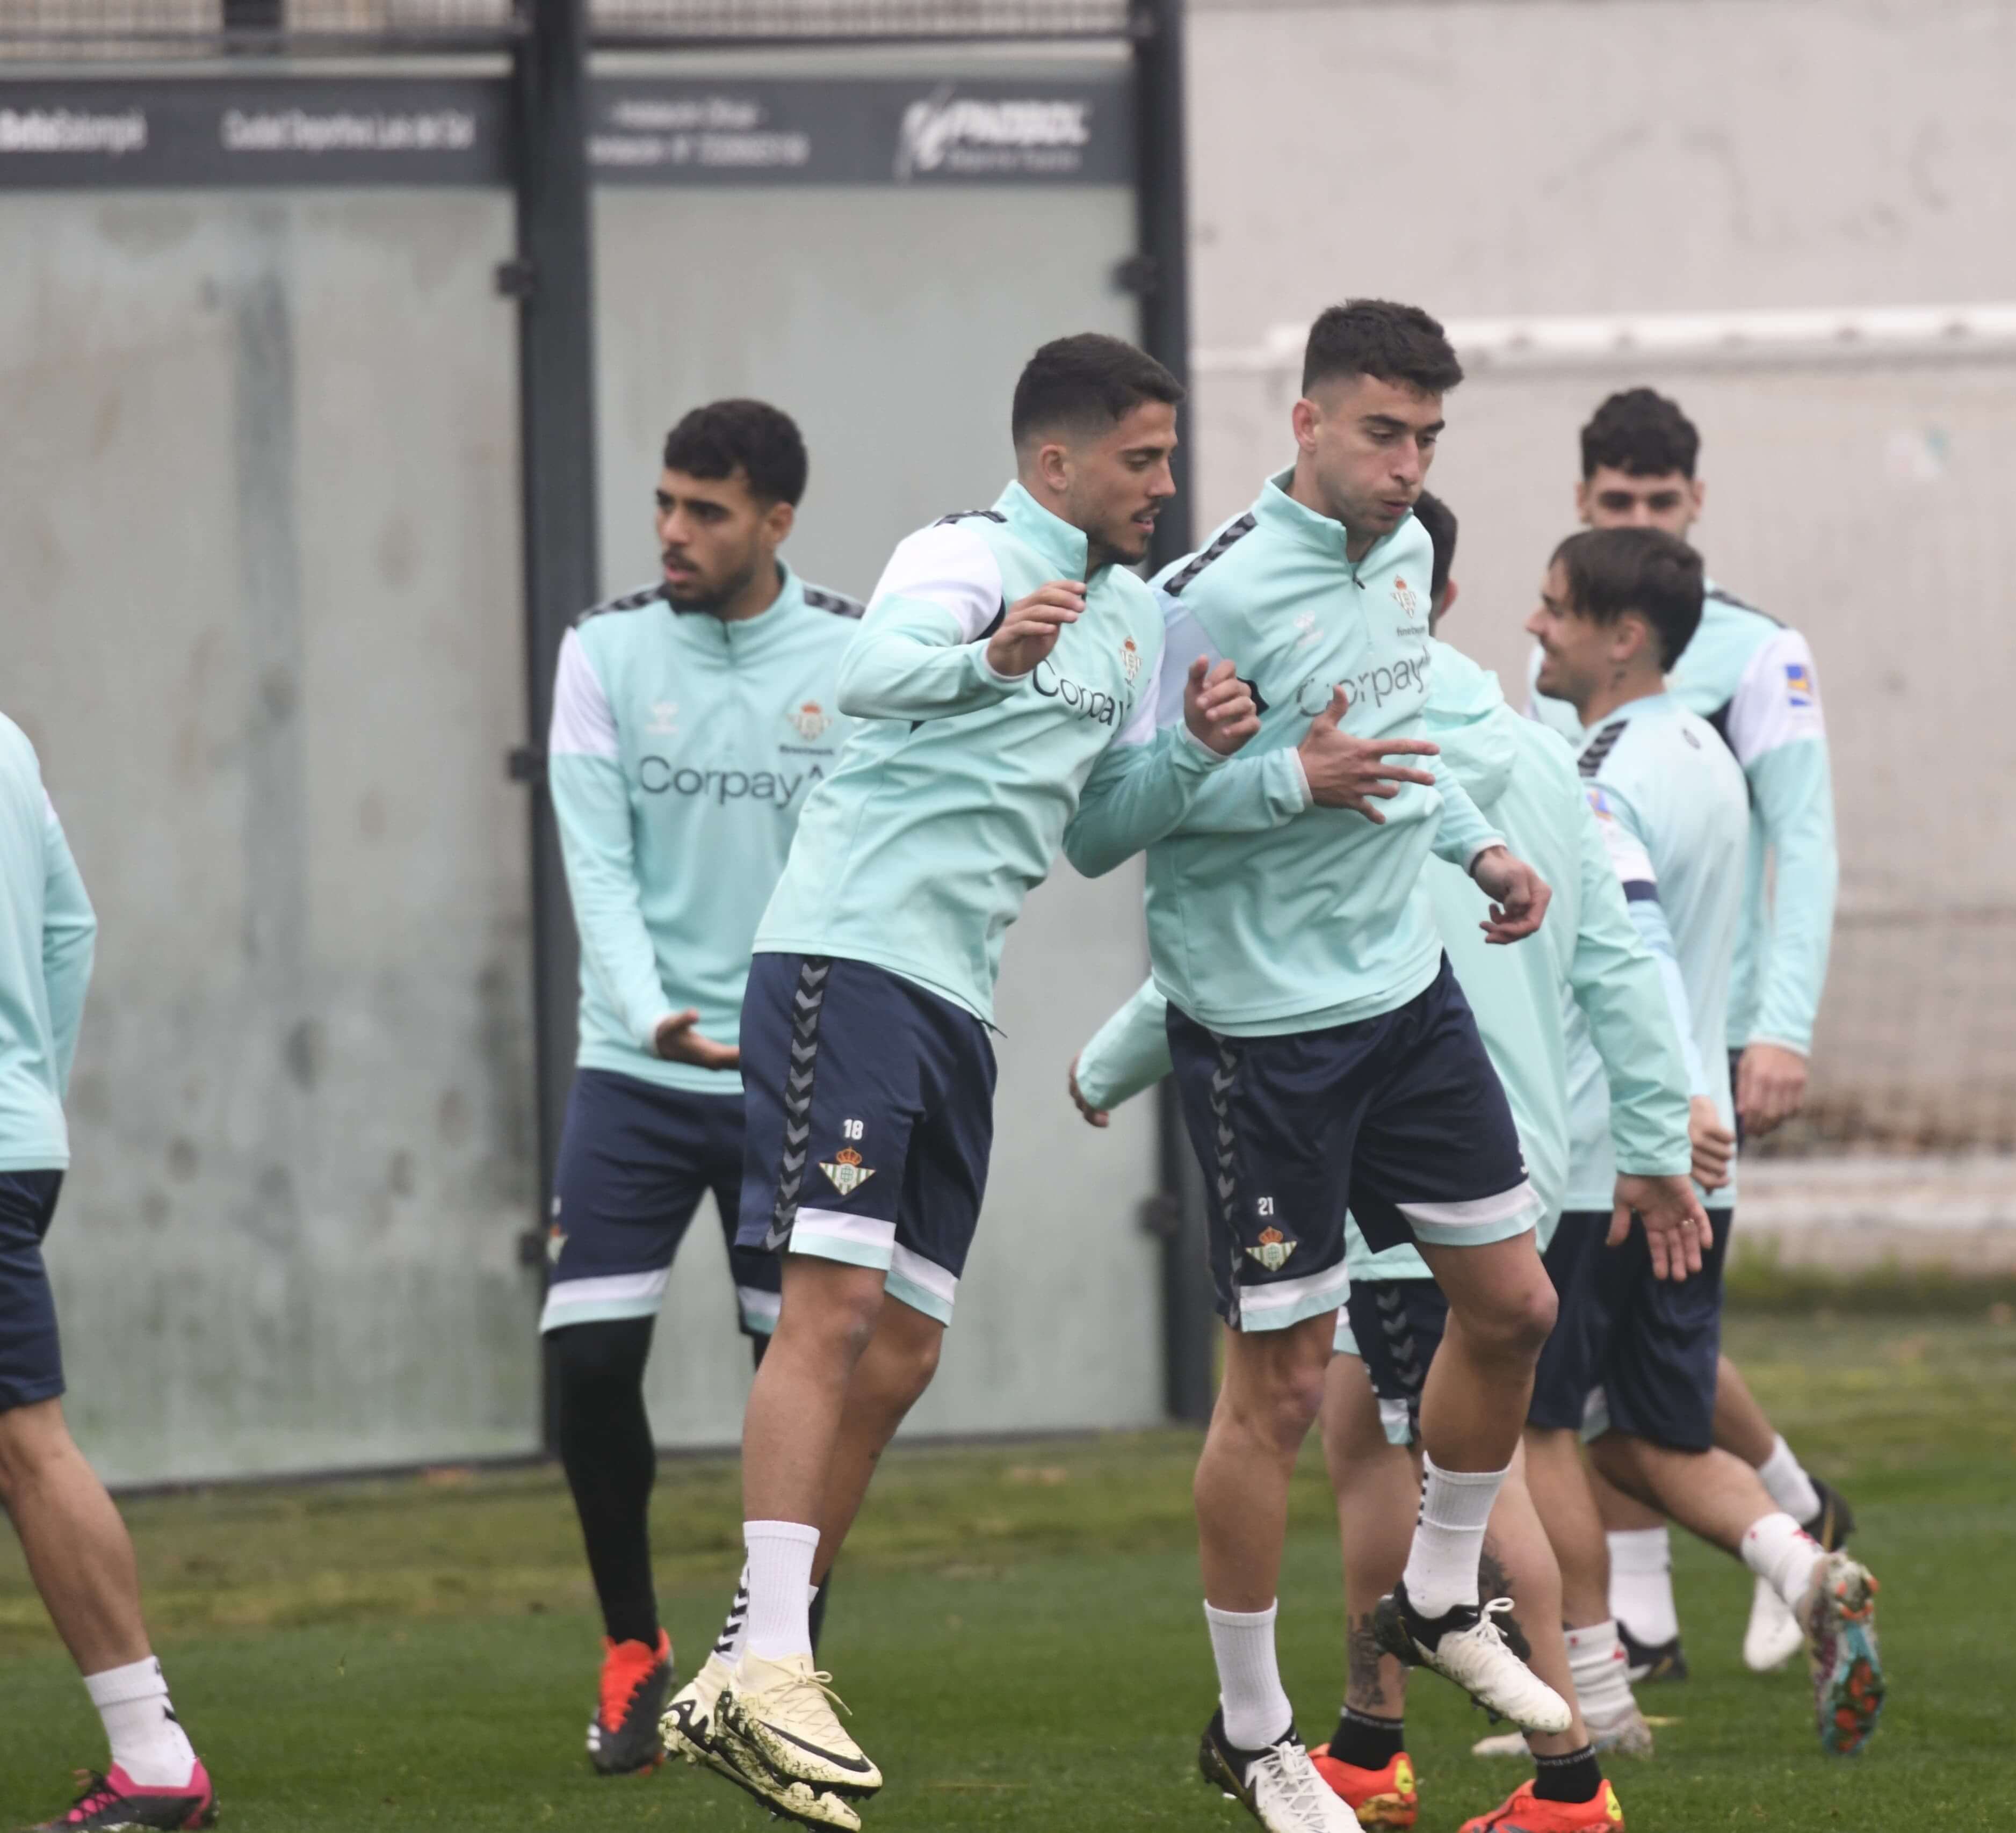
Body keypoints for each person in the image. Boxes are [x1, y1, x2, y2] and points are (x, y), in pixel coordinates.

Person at [1065, 299, 1703, 1833]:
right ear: (1304, 424)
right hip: (1268, 1038)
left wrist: (1483, 847)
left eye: (1427, 436)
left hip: (1409, 1001)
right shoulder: (1192, 597)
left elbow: (1401, 758)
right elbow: (1098, 826)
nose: (1407, 463)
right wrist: (1268, 765)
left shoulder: (1409, 560)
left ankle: (1436, 1591)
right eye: (1381, 431)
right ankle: (1255, 1726)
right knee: (1281, 1393)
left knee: (1520, 1306)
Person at [663, 334, 1261, 1831]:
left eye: (1167, 458)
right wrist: (983, 654)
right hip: (845, 961)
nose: (1161, 485)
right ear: (1054, 463)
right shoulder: (967, 552)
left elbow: (1097, 832)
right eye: (1139, 459)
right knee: (833, 1306)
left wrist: (1187, 754)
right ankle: (777, 1661)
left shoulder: (1133, 621)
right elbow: (861, 673)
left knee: (907, 1347)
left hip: (951, 1000)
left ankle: (747, 1654)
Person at [539, 399, 862, 1775]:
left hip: (788, 1070)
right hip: (636, 1064)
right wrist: (651, 1011)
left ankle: (765, 1667)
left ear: (777, 521)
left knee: (793, 1374)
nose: (674, 532)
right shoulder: (604, 652)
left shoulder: (854, 656)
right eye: (667, 503)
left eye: (708, 510)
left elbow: (863, 863)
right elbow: (596, 864)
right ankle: (635, 1652)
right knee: (588, 1358)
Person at [1523, 526, 1883, 1757]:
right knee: (1651, 1436)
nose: (1535, 629)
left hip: (1604, 1157)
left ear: (1623, 637)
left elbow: (1632, 947)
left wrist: (1654, 1120)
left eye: (1555, 610)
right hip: (1688, 1144)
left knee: (1534, 1433)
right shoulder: (1705, 754)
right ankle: (1798, 1563)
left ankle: (1590, 1708)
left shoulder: (1610, 765)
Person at [0, 715, 218, 1831]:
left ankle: (156, 1760)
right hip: (20, 1137)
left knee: (27, 1444)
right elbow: (69, 931)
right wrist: (32, 1085)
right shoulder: (8, 741)